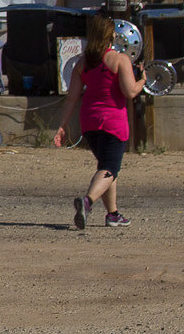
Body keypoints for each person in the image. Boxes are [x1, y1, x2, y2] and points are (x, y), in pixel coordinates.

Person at [52, 14, 144, 229]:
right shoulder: (120, 60)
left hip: (90, 122)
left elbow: (72, 97)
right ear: (112, 35)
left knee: (105, 167)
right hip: (113, 122)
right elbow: (129, 92)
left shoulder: (82, 63)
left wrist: (62, 125)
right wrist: (142, 81)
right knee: (110, 167)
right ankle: (88, 201)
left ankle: (113, 214)